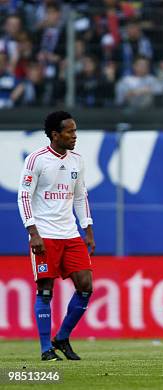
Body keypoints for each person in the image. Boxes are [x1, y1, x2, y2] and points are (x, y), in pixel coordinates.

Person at [17, 111, 95, 361]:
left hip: (70, 234)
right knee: (45, 289)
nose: (75, 136)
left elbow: (81, 196)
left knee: (85, 285)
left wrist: (88, 229)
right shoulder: (36, 160)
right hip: (45, 235)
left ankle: (61, 337)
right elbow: (24, 196)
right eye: (70, 131)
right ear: (55, 134)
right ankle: (44, 349)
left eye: (75, 131)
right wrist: (33, 231)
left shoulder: (77, 160)